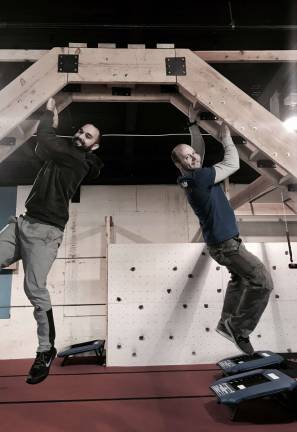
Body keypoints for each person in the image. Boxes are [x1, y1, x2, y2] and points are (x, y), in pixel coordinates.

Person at [0, 98, 103, 384]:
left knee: (34, 288)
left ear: (94, 145)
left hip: (46, 233)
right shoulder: (65, 154)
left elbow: (45, 140)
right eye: (81, 131)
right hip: (23, 223)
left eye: (88, 136)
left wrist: (50, 115)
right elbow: (42, 149)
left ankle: (45, 350)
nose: (81, 136)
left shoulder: (77, 159)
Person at [171, 106, 273, 355]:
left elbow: (199, 153)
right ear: (178, 164)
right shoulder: (200, 178)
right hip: (226, 245)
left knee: (239, 279)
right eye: (187, 157)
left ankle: (225, 323)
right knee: (262, 281)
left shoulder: (191, 178)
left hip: (223, 244)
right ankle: (239, 329)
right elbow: (233, 163)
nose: (194, 157)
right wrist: (225, 135)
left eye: (194, 154)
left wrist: (193, 126)